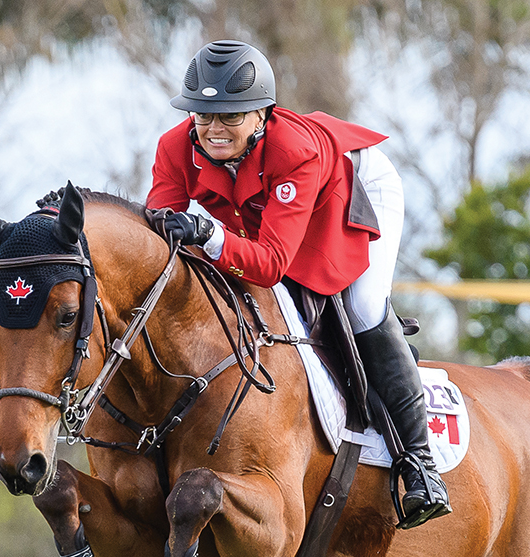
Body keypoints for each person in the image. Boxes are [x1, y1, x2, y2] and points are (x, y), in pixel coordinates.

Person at [147, 40, 451, 529]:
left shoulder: (294, 150)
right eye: (204, 116)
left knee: (363, 306)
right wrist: (82, 224)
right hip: (281, 217)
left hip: (354, 190)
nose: (214, 129)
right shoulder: (175, 147)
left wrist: (209, 234)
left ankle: (420, 464)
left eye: (230, 116)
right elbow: (156, 230)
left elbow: (267, 265)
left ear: (263, 115)